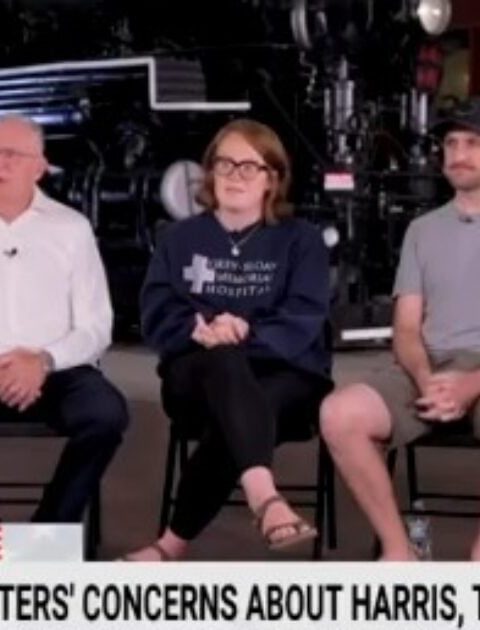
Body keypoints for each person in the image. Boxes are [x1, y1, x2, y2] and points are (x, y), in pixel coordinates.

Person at [125, 118, 332, 561]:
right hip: (195, 376)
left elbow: (304, 316)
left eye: (250, 167)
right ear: (210, 172)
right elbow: (156, 312)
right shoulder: (179, 238)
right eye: (225, 164)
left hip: (285, 376)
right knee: (223, 362)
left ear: (272, 179)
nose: (235, 176)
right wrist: (198, 329)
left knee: (238, 408)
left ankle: (169, 547)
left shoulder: (302, 240)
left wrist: (245, 332)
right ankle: (266, 498)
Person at [320, 96, 480, 560]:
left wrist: (470, 385)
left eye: (472, 143)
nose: (458, 154)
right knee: (339, 414)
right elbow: (406, 328)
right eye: (451, 143)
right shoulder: (422, 230)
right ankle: (398, 551)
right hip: (430, 362)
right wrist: (427, 379)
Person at [0, 114, 128, 522]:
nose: (1, 164)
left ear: (39, 166)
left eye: (12, 154)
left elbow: (96, 327)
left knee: (105, 415)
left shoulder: (71, 229)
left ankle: (43, 537)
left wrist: (41, 361)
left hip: (57, 371)